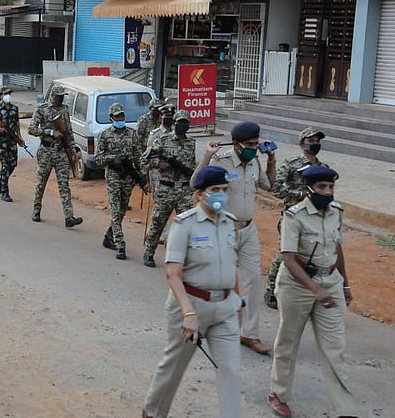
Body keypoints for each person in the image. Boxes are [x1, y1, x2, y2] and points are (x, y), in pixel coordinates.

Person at [267, 166, 376, 418]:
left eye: (331, 187)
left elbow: (337, 249)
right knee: (288, 342)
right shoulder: (294, 216)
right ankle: (278, 394)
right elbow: (289, 259)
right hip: (297, 286)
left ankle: (346, 414)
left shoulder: (336, 212)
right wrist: (315, 289)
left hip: (331, 283)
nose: (327, 192)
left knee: (335, 348)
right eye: (322, 187)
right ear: (308, 190)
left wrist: (345, 284)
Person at [142, 166, 242, 418]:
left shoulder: (230, 222)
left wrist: (238, 303)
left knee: (231, 371)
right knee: (175, 363)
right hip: (190, 304)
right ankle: (154, 412)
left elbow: (232, 268)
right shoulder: (184, 224)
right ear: (199, 194)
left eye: (224, 190)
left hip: (225, 307)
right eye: (214, 190)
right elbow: (173, 274)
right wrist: (188, 313)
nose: (221, 195)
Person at [194, 121, 276, 356]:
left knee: (252, 281)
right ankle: (203, 324)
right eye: (250, 144)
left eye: (256, 143)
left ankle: (249, 333)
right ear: (237, 144)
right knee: (217, 280)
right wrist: (206, 156)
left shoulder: (255, 161)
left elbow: (269, 185)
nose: (254, 148)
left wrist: (271, 160)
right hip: (224, 229)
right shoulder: (221, 160)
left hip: (248, 229)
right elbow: (195, 183)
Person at [265, 127, 329, 309]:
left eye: (317, 141)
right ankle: (271, 291)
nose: (315, 144)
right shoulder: (292, 164)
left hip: (314, 218)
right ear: (302, 144)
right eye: (310, 141)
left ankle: (306, 292)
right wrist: (299, 195)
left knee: (312, 255)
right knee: (284, 254)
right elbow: (274, 188)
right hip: (293, 216)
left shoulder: (324, 168)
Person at [141, 110, 196, 268]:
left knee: (188, 224)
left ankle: (185, 257)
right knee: (158, 222)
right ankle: (149, 252)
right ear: (174, 123)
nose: (182, 126)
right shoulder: (162, 140)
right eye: (180, 122)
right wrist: (159, 164)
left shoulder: (191, 143)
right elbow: (144, 160)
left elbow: (191, 165)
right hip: (166, 188)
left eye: (185, 123)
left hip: (184, 189)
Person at [28, 83, 83, 227]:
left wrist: (72, 151)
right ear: (52, 96)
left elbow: (68, 132)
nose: (61, 99)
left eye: (62, 97)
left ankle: (69, 217)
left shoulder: (64, 110)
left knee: (64, 185)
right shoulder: (42, 109)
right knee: (41, 183)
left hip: (61, 152)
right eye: (58, 97)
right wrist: (50, 132)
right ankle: (36, 210)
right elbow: (31, 129)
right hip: (46, 151)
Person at [96, 103, 146, 260]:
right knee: (115, 210)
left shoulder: (132, 134)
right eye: (117, 116)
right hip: (113, 176)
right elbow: (98, 158)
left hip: (128, 177)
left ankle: (108, 235)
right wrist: (113, 159)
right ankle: (120, 244)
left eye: (121, 116)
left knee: (122, 209)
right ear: (111, 118)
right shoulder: (104, 135)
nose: (120, 119)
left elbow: (138, 157)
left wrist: (143, 177)